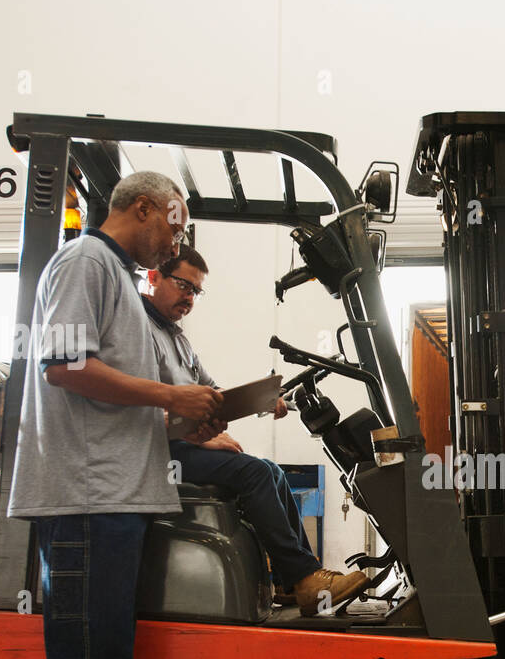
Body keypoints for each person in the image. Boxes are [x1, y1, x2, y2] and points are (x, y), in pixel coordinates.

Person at [8, 171, 222, 659]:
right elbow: (65, 368)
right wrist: (170, 396)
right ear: (142, 207)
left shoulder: (120, 283)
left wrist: (180, 419)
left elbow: (114, 400)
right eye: (176, 222)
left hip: (113, 496)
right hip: (87, 501)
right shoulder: (84, 263)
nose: (177, 238)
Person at [141, 246, 369, 617]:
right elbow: (146, 405)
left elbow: (215, 394)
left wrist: (262, 397)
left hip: (181, 445)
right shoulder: (138, 330)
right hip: (157, 451)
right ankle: (306, 577)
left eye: (195, 291)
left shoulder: (177, 339)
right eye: (183, 285)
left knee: (272, 473)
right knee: (255, 472)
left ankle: (291, 582)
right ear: (154, 277)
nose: (189, 297)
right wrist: (199, 435)